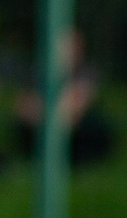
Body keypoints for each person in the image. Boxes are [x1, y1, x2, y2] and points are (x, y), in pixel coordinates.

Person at [11, 28, 120, 168]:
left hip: (71, 129)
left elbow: (77, 104)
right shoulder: (39, 72)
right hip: (41, 127)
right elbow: (24, 108)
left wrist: (49, 112)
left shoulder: (85, 72)